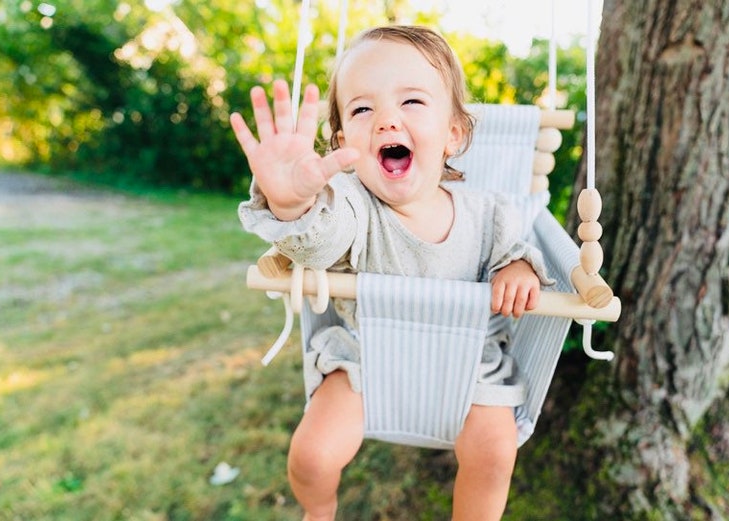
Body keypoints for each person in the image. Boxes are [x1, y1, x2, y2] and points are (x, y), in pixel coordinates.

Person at [231, 25, 554, 521]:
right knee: (312, 456)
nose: (386, 121)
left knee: (494, 452)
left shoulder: (489, 211)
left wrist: (517, 269)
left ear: (454, 133)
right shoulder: (354, 206)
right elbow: (322, 237)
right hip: (367, 361)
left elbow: (516, 252)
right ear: (342, 143)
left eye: (412, 103)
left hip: (471, 368)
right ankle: (318, 513)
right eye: (362, 109)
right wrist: (292, 202)